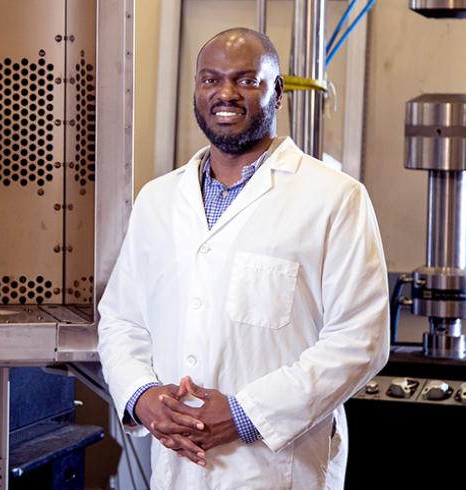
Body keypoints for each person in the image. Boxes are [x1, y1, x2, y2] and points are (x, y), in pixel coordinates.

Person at [97, 28, 389, 489]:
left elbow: (361, 340)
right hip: (177, 470)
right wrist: (142, 396)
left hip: (278, 471)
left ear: (277, 94)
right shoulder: (158, 199)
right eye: (210, 79)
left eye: (247, 80)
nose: (225, 94)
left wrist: (243, 414)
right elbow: (120, 320)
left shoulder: (334, 199)